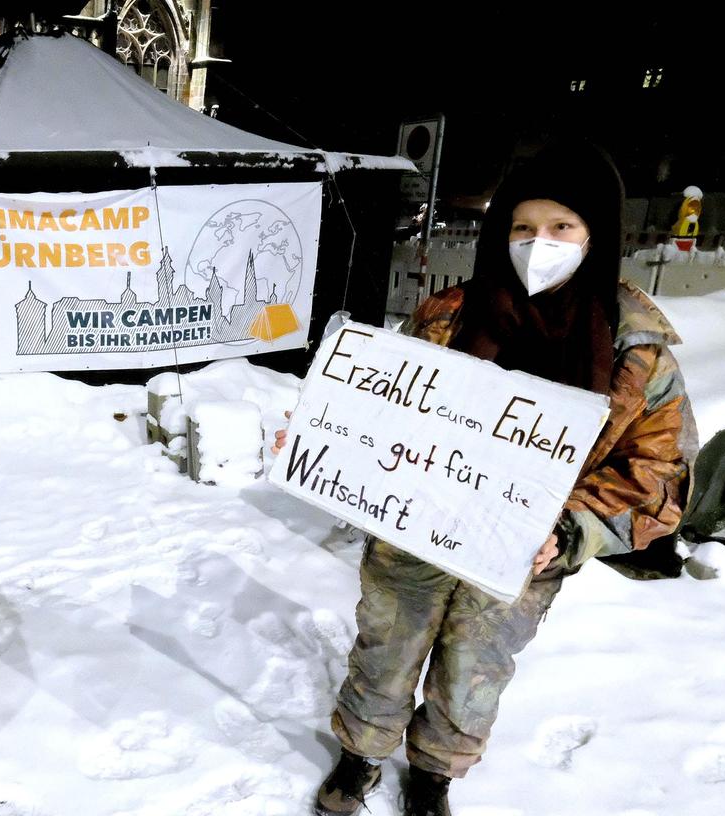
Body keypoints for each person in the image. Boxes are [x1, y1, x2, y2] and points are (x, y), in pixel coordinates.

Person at [275, 140, 697, 816]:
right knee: (387, 644)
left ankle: (434, 773)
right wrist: (328, 433)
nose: (539, 243)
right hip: (416, 533)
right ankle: (360, 755)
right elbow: (386, 406)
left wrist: (569, 529)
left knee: (474, 670)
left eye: (562, 228)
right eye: (523, 227)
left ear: (596, 234)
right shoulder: (447, 316)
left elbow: (657, 476)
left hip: (521, 557)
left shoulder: (634, 349)